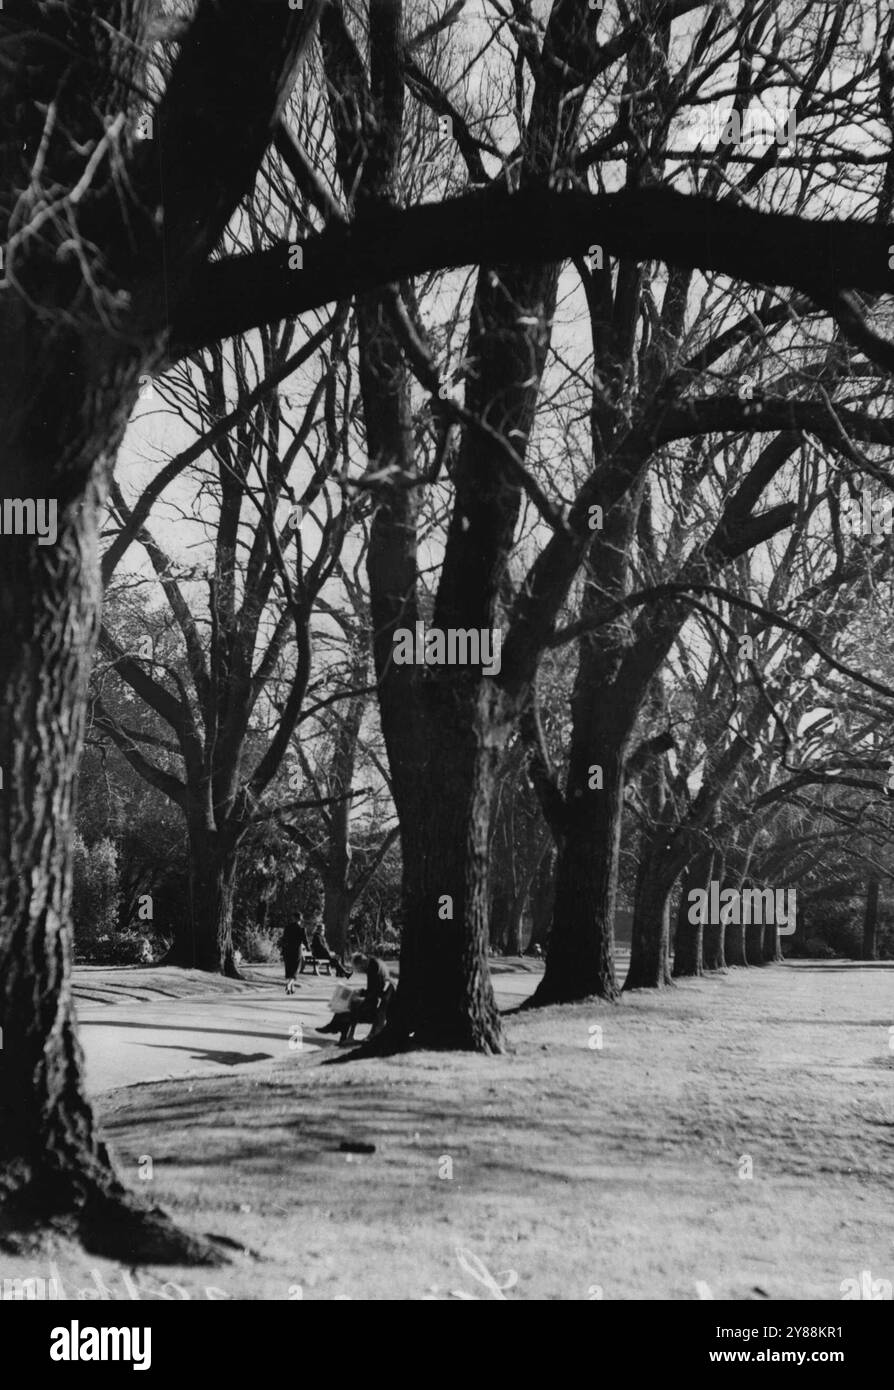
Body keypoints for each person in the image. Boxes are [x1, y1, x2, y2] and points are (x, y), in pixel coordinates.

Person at [316, 951, 395, 1044]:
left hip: (375, 1006)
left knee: (348, 1006)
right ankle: (335, 1028)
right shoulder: (375, 963)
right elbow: (374, 989)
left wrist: (359, 993)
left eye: (359, 969)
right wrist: (359, 992)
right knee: (347, 1003)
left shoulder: (373, 968)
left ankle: (335, 1028)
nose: (360, 971)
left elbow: (374, 991)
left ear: (362, 963)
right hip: (378, 1002)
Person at [280, 914, 309, 994]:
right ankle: (289, 985)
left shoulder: (287, 928)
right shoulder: (301, 929)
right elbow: (305, 941)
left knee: (289, 970)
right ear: (300, 919)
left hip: (287, 951)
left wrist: (282, 950)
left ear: (293, 918)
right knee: (295, 970)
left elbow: (283, 939)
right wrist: (308, 949)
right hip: (296, 951)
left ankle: (291, 989)